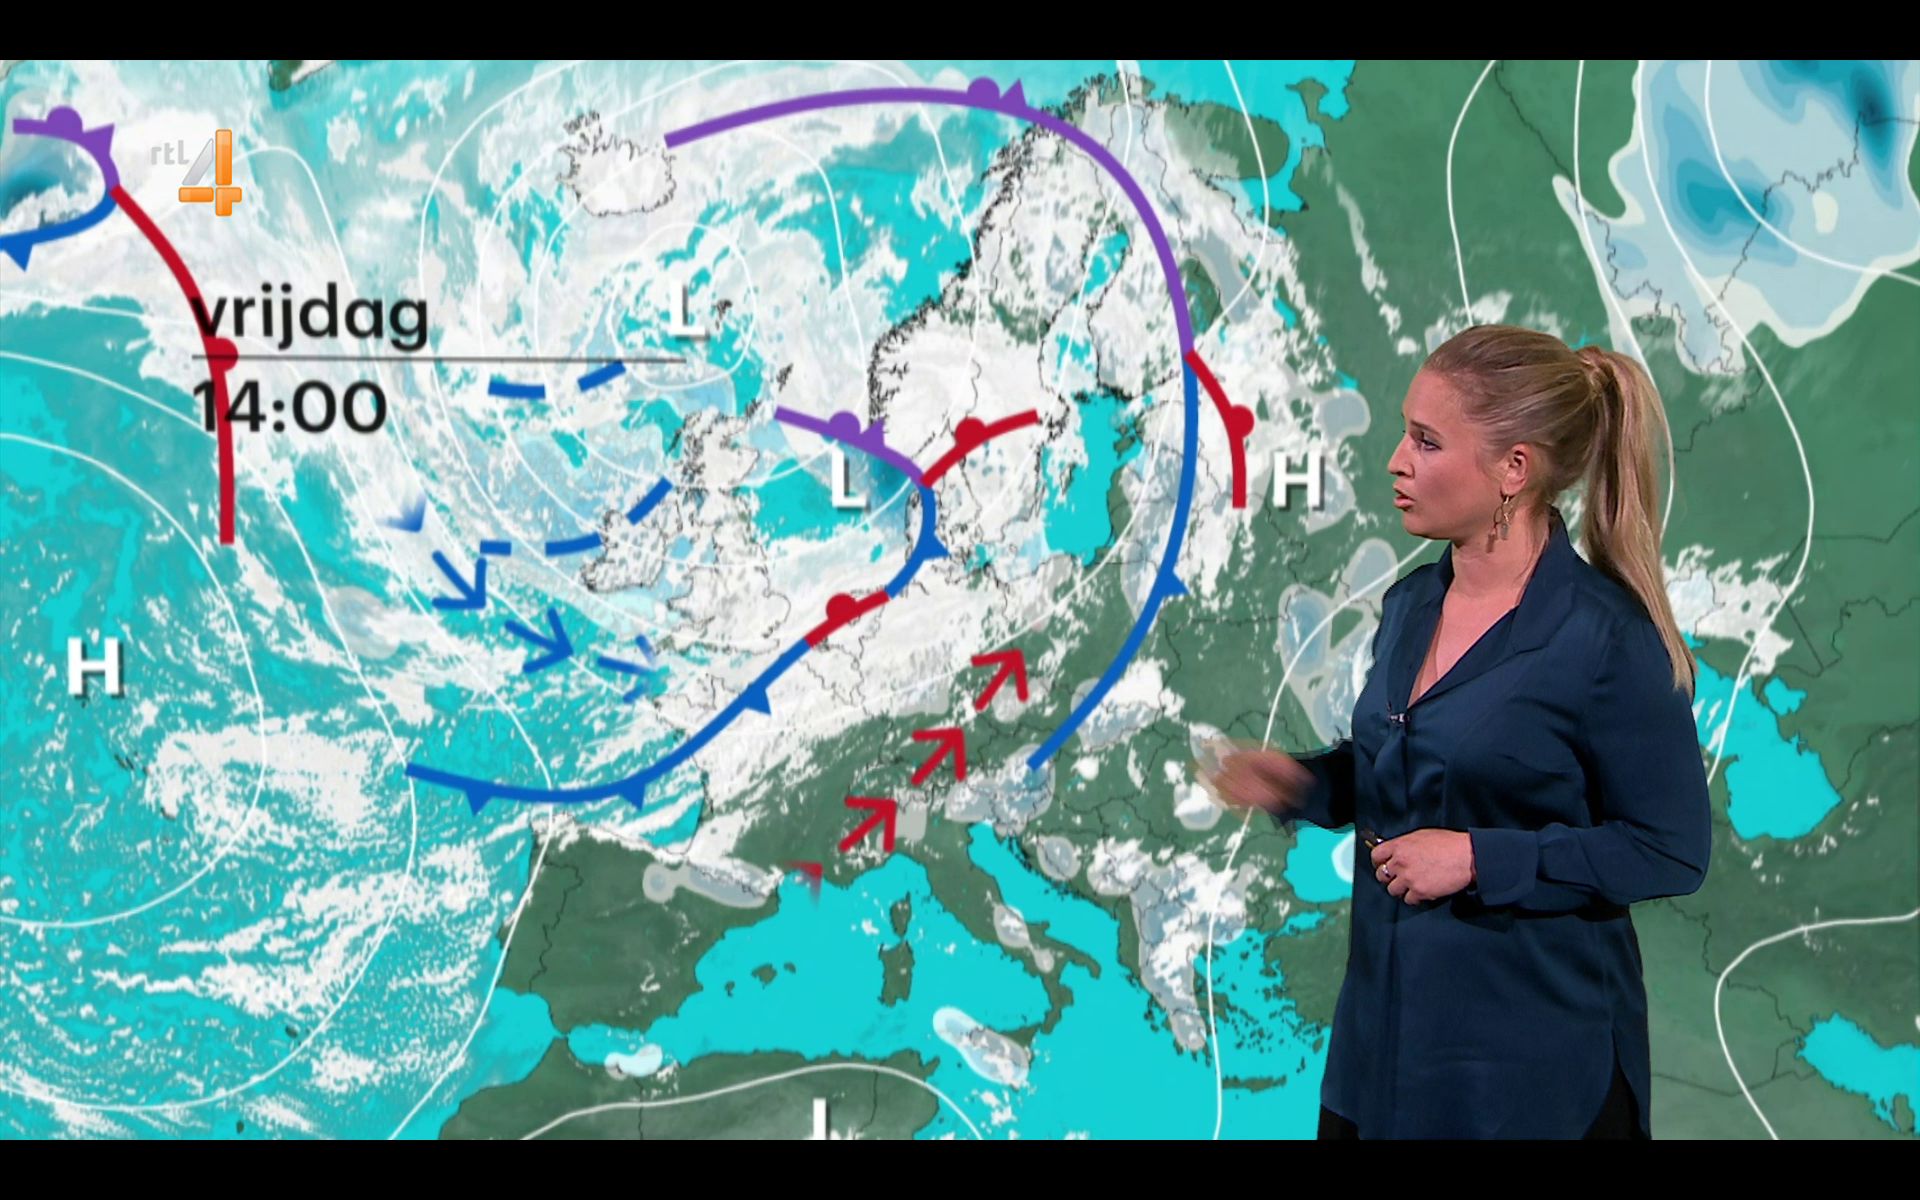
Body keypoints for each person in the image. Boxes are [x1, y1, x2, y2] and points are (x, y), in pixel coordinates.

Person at [1208, 324, 1712, 1139]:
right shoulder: (1410, 605)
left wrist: (1480, 859)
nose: (1396, 462)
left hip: (1532, 1087)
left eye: (1426, 441)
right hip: (1382, 1064)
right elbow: (1418, 768)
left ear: (1514, 469)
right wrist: (1309, 785)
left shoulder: (1605, 640)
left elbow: (1671, 849)